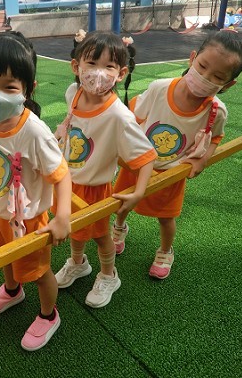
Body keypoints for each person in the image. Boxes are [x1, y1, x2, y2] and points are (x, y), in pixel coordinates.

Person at [0, 31, 72, 351]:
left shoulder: (34, 132)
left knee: (38, 271)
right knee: (2, 256)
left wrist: (62, 217)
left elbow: (62, 175)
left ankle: (49, 314)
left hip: (27, 218)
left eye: (9, 87)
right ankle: (12, 291)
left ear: (27, 89)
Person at [111, 29, 242, 279]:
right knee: (122, 203)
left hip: (171, 174)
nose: (205, 77)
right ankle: (119, 228)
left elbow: (216, 137)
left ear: (228, 84)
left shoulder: (216, 111)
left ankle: (166, 251)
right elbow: (133, 118)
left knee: (166, 218)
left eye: (217, 76)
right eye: (202, 66)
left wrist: (203, 158)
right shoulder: (159, 88)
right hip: (137, 165)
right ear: (192, 58)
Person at [53, 30, 157, 308]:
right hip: (68, 181)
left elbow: (147, 155)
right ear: (76, 66)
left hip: (95, 188)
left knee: (100, 236)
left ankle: (109, 275)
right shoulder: (73, 93)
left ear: (121, 73)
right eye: (91, 63)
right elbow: (74, 120)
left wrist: (138, 192)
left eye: (108, 66)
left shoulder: (119, 115)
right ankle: (78, 263)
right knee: (75, 229)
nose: (98, 73)